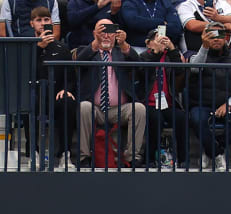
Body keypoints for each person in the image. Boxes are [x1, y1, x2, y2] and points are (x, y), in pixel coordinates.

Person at [76, 18, 146, 167]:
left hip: (119, 110)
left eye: (110, 31)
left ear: (116, 34)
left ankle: (132, 157)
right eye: (102, 31)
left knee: (139, 109)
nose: (106, 35)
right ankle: (84, 157)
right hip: (94, 108)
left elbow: (138, 64)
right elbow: (79, 62)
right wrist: (96, 42)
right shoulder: (87, 50)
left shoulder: (121, 52)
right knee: (83, 107)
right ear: (94, 33)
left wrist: (124, 44)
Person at [187, 21, 231, 171]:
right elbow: (194, 68)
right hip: (201, 104)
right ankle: (217, 153)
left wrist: (228, 104)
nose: (216, 39)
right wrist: (204, 47)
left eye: (220, 35)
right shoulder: (197, 56)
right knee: (196, 119)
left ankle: (211, 151)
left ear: (226, 38)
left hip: (225, 105)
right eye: (211, 35)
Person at [30, 6, 78, 168]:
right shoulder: (27, 46)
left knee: (68, 102)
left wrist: (67, 89)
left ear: (52, 22)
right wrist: (39, 48)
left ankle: (64, 154)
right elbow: (25, 72)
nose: (43, 24)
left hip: (55, 95)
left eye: (46, 20)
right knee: (29, 102)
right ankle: (33, 152)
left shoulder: (62, 48)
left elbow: (70, 75)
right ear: (32, 24)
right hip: (35, 95)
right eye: (38, 20)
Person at [139, 27, 188, 167]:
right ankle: (149, 159)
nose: (161, 40)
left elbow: (179, 71)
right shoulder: (144, 56)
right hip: (148, 103)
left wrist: (172, 49)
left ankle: (183, 160)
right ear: (148, 43)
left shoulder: (169, 56)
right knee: (156, 120)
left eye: (163, 37)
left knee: (181, 118)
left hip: (168, 103)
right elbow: (143, 73)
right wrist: (155, 53)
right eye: (156, 38)